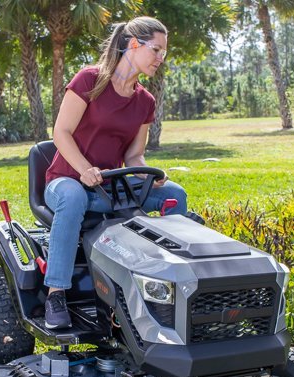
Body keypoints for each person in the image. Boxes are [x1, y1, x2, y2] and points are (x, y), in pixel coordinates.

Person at [42, 16, 187, 329]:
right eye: (156, 50)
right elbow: (61, 133)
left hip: (109, 188)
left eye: (164, 52)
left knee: (175, 194)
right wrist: (84, 169)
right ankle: (56, 293)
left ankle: (180, 287)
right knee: (73, 197)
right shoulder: (88, 80)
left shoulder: (145, 101)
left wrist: (150, 176)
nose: (161, 58)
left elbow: (133, 154)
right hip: (66, 180)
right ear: (133, 44)